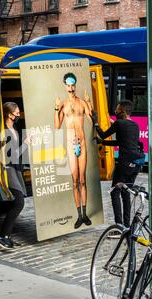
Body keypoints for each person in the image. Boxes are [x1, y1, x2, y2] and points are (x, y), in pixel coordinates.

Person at [95, 100, 144, 229]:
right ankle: (126, 226)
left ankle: (119, 226)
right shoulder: (135, 125)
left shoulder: (119, 123)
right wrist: (103, 143)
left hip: (124, 163)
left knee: (115, 192)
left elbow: (103, 134)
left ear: (122, 111)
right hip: (136, 164)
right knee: (126, 192)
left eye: (117, 109)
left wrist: (95, 122)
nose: (115, 111)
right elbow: (122, 142)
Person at [54, 73, 94, 229]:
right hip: (71, 145)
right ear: (65, 85)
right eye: (68, 85)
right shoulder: (62, 105)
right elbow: (57, 127)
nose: (71, 88)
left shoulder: (82, 103)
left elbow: (92, 122)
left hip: (82, 143)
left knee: (83, 180)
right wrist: (56, 108)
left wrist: (89, 104)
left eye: (73, 85)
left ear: (75, 85)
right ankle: (79, 216)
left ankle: (85, 215)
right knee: (75, 180)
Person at [0, 101, 30, 250]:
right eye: (16, 112)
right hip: (9, 168)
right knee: (19, 202)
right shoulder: (5, 132)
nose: (18, 115)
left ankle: (6, 236)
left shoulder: (13, 128)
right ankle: (2, 236)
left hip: (15, 169)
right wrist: (26, 144)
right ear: (9, 114)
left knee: (16, 201)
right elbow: (12, 155)